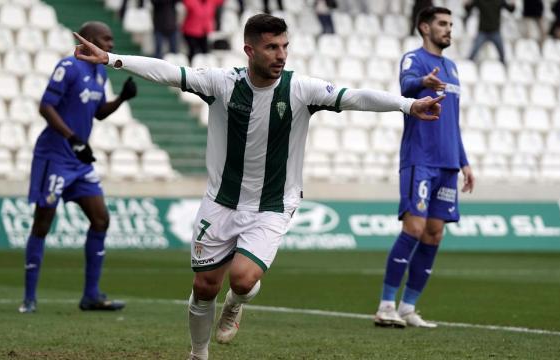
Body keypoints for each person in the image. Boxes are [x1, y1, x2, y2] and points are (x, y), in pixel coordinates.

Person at [72, 14, 444, 359]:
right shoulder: (222, 83)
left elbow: (355, 96)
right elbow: (169, 72)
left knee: (243, 278)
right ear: (250, 50)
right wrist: (111, 59)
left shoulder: (300, 88)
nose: (280, 55)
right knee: (204, 287)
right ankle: (198, 355)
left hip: (272, 204)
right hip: (221, 201)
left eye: (284, 46)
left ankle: (235, 304)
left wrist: (408, 105)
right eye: (271, 47)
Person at [18, 21, 137, 314]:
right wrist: (73, 139)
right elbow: (45, 107)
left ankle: (91, 296)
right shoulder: (68, 66)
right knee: (43, 223)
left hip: (79, 161)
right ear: (88, 40)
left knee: (101, 220)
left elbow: (97, 113)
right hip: (55, 156)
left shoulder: (99, 72)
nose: (110, 44)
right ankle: (29, 298)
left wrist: (121, 99)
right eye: (106, 39)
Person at [374, 6, 475, 329]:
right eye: (442, 24)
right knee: (414, 229)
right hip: (420, 158)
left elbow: (453, 122)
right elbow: (405, 87)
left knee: (434, 234)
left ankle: (408, 307)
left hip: (447, 163)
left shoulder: (453, 68)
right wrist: (422, 82)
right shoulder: (414, 59)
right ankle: (386, 304)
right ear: (424, 28)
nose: (448, 30)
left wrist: (464, 162)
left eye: (450, 24)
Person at [465, 0, 515, 64]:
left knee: (502, 56)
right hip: (483, 31)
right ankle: (467, 66)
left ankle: (503, 67)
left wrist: (513, 4)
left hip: (495, 32)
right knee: (473, 53)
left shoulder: (499, 1)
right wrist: (466, 4)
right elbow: (468, 9)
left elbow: (510, 10)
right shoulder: (480, 1)